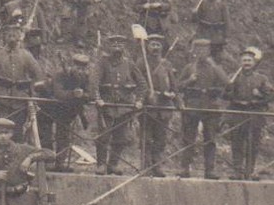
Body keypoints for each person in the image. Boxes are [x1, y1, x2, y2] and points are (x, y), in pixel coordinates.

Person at [178, 40, 230, 179]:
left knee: (210, 139)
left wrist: (216, 67)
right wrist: (189, 80)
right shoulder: (189, 68)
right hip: (192, 105)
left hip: (210, 106)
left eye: (205, 50)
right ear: (194, 51)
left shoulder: (215, 67)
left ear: (209, 52)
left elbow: (227, 84)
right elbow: (178, 86)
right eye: (199, 50)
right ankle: (185, 168)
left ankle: (209, 170)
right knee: (188, 138)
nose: (201, 53)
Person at [90, 36, 140, 175]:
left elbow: (142, 84)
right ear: (109, 46)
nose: (117, 46)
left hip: (124, 107)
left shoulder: (129, 64)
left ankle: (113, 164)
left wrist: (139, 100)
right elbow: (94, 82)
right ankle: (101, 164)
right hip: (107, 105)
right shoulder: (102, 62)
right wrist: (98, 98)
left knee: (121, 138)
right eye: (114, 44)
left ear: (124, 47)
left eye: (120, 44)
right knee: (104, 136)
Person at [224, 49, 274, 179]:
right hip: (237, 113)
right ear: (240, 62)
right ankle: (237, 171)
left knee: (253, 144)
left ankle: (249, 171)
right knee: (236, 143)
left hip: (254, 114)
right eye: (244, 60)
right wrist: (229, 88)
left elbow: (273, 95)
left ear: (254, 63)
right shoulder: (233, 77)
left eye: (249, 60)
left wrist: (260, 96)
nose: (246, 63)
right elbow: (224, 95)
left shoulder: (261, 78)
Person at [40, 52, 93, 172]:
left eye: (83, 68)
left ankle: (60, 163)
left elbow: (91, 94)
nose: (80, 70)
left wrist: (83, 94)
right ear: (72, 65)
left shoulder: (85, 78)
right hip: (48, 107)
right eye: (77, 67)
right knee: (46, 135)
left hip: (66, 110)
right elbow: (59, 93)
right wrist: (73, 94)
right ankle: (47, 162)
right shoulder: (60, 74)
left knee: (63, 137)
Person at [136, 34, 179, 176]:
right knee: (146, 138)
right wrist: (148, 93)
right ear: (147, 47)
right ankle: (145, 165)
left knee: (160, 139)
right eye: (153, 45)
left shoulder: (167, 64)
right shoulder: (142, 63)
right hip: (148, 107)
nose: (155, 48)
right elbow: (137, 83)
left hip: (164, 108)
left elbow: (173, 85)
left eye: (158, 45)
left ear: (162, 47)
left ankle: (157, 165)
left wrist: (173, 95)